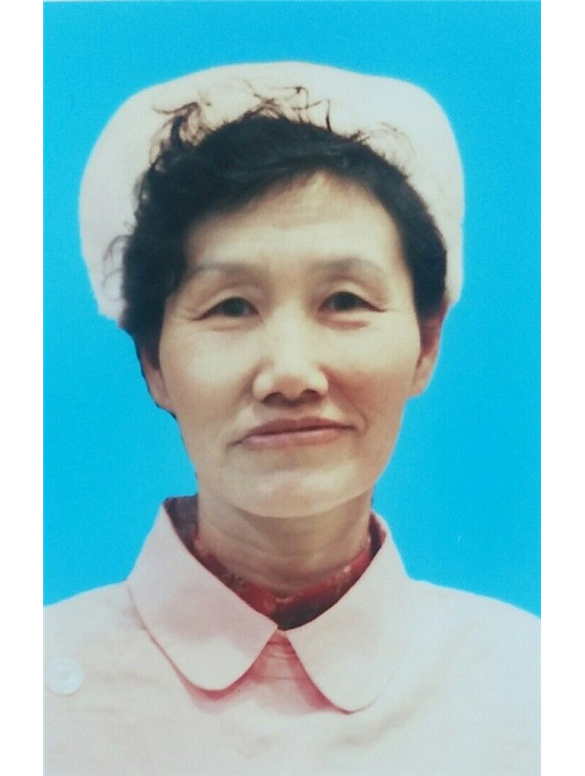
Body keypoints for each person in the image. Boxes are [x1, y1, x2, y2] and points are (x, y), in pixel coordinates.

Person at [45, 62, 539, 776]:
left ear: (426, 342)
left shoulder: (534, 688)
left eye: (344, 301)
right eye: (230, 307)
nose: (290, 373)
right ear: (154, 362)